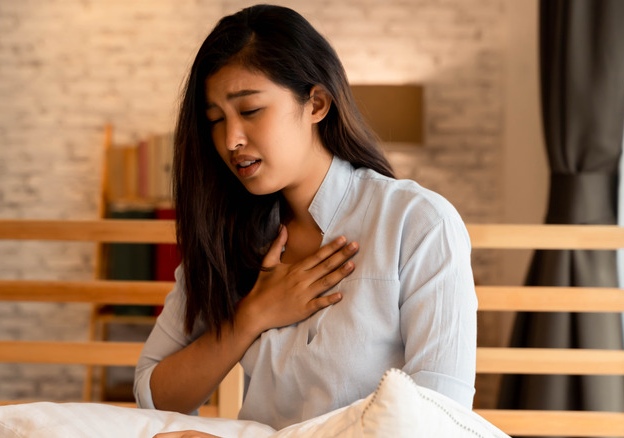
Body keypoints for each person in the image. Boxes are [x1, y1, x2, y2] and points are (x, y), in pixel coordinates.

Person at [134, 4, 477, 435]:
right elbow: (154, 393)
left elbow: (441, 419)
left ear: (316, 104)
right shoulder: (227, 234)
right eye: (216, 120)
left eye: (251, 110)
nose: (231, 139)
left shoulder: (419, 224)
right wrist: (251, 317)